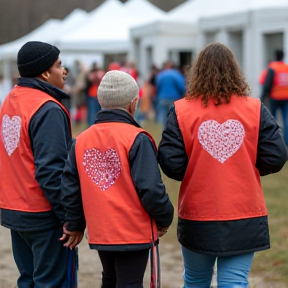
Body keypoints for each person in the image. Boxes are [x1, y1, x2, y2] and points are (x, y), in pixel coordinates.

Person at [158, 43, 287, 288]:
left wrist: (198, 168)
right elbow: (276, 156)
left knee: (195, 281)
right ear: (235, 71)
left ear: (196, 73)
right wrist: (246, 165)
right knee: (234, 283)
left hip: (198, 211)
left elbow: (170, 162)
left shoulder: (182, 110)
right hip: (244, 210)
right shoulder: (254, 108)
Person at [61, 70, 174, 288]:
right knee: (129, 282)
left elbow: (70, 187)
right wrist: (165, 217)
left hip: (101, 229)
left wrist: (75, 223)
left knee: (110, 278)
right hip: (132, 230)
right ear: (134, 103)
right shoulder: (137, 138)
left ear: (101, 101)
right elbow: (150, 188)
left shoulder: (81, 140)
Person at [0, 41, 83, 288]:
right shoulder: (47, 108)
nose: (65, 70)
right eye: (59, 65)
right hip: (43, 214)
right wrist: (70, 218)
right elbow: (51, 171)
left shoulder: (11, 100)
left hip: (15, 209)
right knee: (53, 282)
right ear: (45, 72)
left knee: (29, 280)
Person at [260, 49, 288, 146]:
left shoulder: (272, 67)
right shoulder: (286, 67)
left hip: (274, 97)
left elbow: (266, 83)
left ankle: (274, 140)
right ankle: (286, 141)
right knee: (286, 120)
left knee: (273, 119)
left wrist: (263, 97)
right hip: (286, 97)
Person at [156, 61, 186, 129]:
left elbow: (157, 86)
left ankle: (164, 132)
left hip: (162, 99)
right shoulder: (177, 75)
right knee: (173, 119)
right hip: (174, 99)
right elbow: (182, 87)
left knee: (163, 118)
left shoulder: (161, 74)